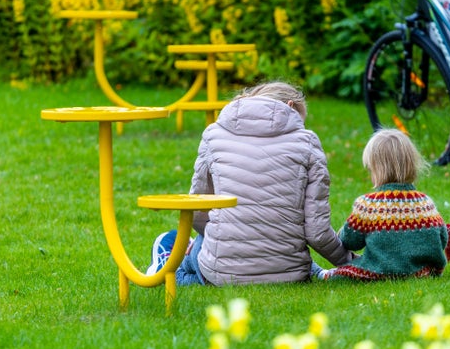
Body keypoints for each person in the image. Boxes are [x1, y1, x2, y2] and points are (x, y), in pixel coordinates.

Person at [147, 81, 355, 285]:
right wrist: (352, 263)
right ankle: (315, 272)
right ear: (289, 107)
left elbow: (198, 211)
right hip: (289, 273)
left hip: (221, 269)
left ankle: (166, 264)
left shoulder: (213, 134)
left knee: (185, 261)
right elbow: (316, 232)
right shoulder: (307, 141)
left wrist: (225, 239)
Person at [312, 128, 450, 281]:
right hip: (421, 271)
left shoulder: (368, 205)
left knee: (347, 271)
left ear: (377, 170)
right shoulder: (426, 204)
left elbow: (351, 241)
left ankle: (322, 274)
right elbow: (442, 237)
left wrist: (341, 233)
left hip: (378, 270)